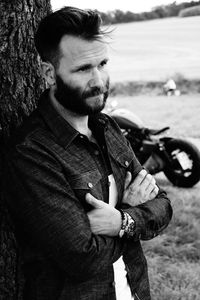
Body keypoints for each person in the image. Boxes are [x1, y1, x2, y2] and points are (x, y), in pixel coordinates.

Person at [4, 7, 172, 300]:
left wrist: (121, 221)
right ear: (48, 73)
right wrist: (134, 214)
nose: (98, 80)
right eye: (83, 69)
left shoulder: (107, 127)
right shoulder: (31, 151)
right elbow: (82, 258)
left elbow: (163, 205)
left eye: (102, 63)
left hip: (134, 291)